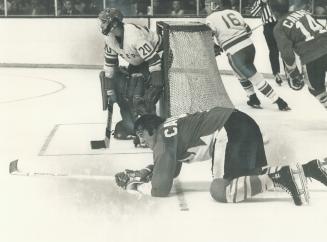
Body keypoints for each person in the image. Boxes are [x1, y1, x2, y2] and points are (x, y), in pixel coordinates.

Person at [115, 107, 327, 205]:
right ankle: (311, 168)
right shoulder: (169, 128)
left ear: (148, 130)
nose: (141, 141)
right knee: (249, 176)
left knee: (221, 191)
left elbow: (160, 189)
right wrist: (147, 171)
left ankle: (282, 178)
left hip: (227, 130)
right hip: (241, 121)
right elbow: (172, 168)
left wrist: (136, 184)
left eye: (141, 136)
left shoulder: (162, 139)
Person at [204, 0, 290, 110]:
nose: (205, 8)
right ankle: (253, 98)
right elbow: (249, 31)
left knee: (254, 76)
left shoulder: (210, 19)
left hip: (235, 51)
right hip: (249, 47)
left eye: (207, 5)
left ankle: (279, 101)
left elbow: (208, 37)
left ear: (214, 5)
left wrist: (215, 47)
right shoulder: (234, 13)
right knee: (239, 72)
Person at [98, 8, 163, 139]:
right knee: (128, 92)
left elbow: (153, 59)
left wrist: (156, 81)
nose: (101, 25)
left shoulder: (133, 36)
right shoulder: (109, 39)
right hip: (139, 61)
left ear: (114, 24)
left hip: (160, 55)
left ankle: (151, 131)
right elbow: (110, 65)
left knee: (142, 96)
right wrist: (110, 88)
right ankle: (133, 126)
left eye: (104, 22)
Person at [270, 0, 327, 109]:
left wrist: (293, 73)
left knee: (316, 88)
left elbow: (287, 55)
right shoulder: (303, 12)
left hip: (312, 56)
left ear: (274, 12)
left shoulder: (279, 27)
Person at [250, 0, 284, 85]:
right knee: (273, 50)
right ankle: (276, 74)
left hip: (280, 24)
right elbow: (253, 13)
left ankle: (291, 74)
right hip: (268, 27)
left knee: (285, 48)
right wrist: (262, 2)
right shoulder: (260, 1)